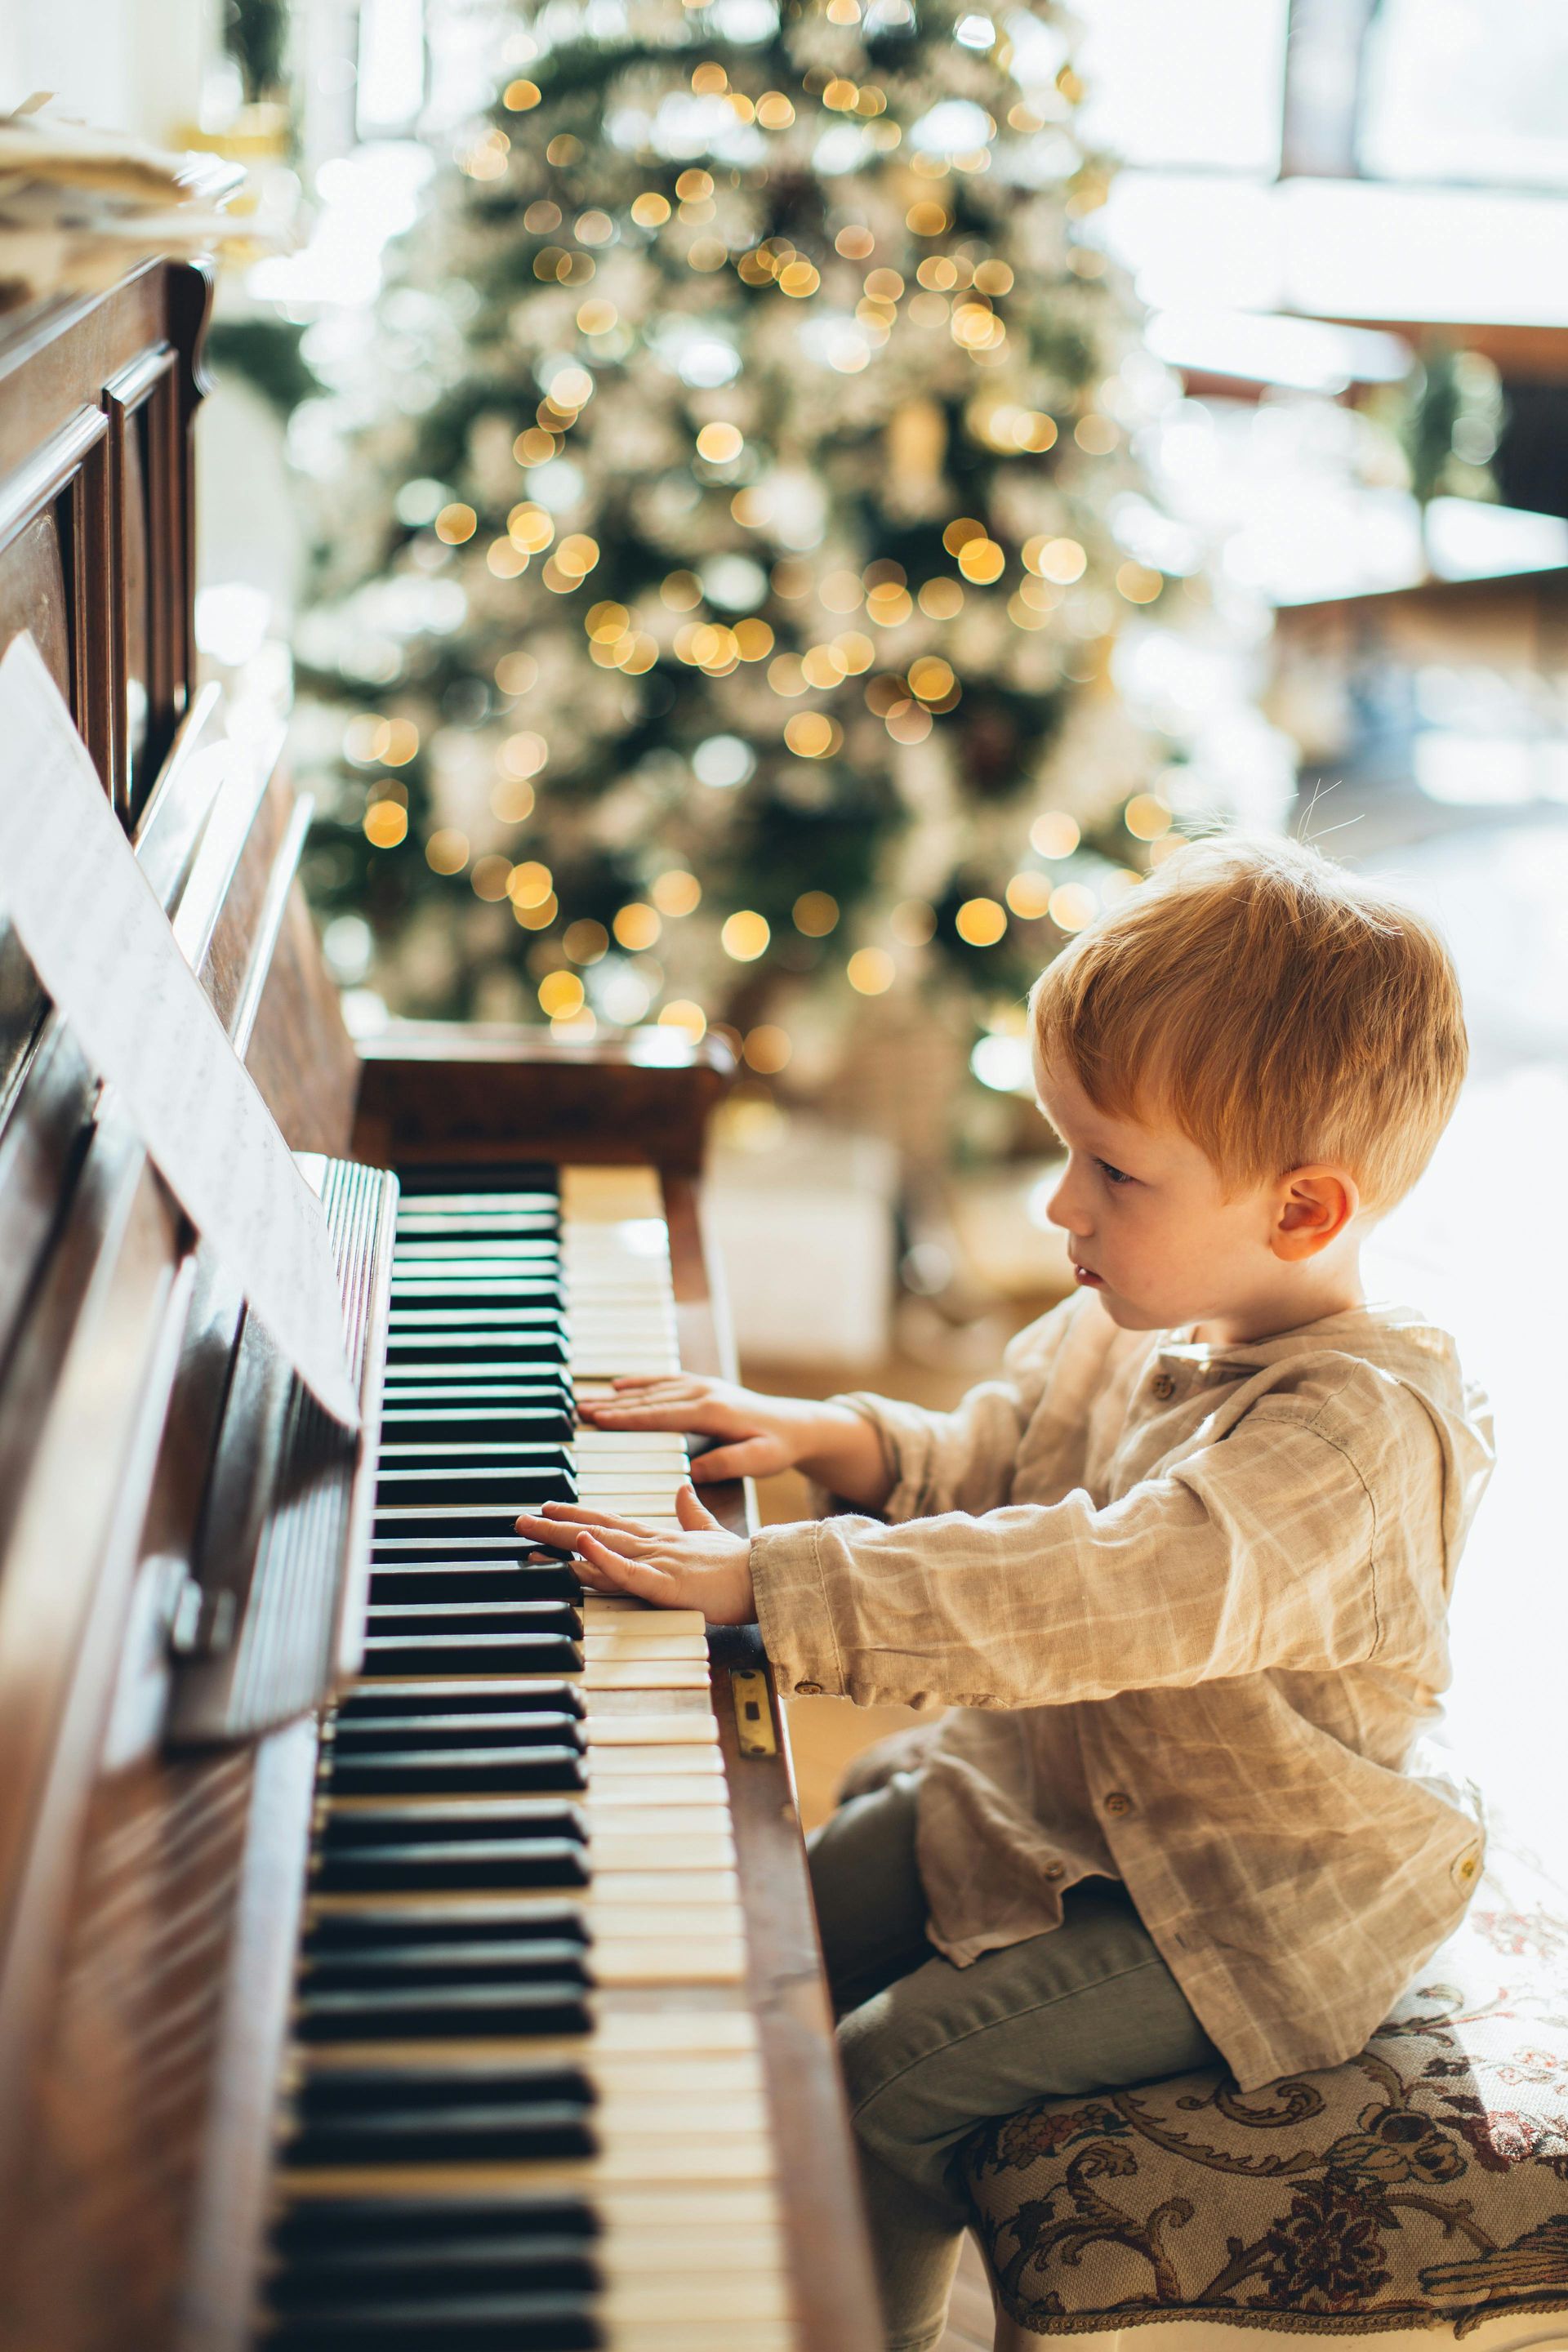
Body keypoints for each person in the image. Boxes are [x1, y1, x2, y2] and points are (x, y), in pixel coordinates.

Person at [516, 835, 1494, 2352]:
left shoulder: (1354, 1443)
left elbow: (1098, 1586)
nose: (1060, 1206)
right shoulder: (1143, 1312)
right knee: (740, 1932)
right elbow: (1013, 1462)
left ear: (1303, 1211)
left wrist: (772, 1585)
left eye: (1111, 1167)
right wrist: (847, 1439)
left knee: (883, 2080)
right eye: (1065, 1148)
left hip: (1242, 1905)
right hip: (1063, 1809)